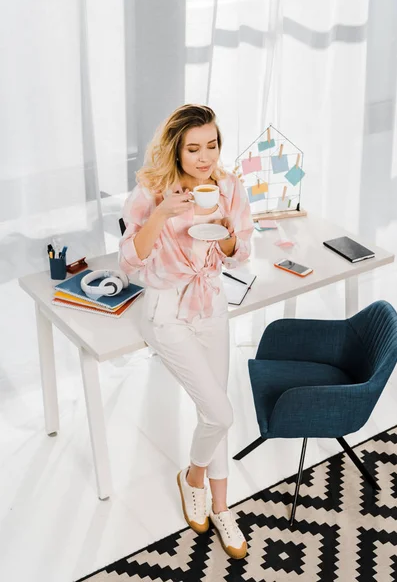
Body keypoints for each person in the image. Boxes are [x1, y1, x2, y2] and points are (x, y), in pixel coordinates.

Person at [119, 104, 253, 559]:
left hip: (212, 304)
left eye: (211, 146)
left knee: (214, 409)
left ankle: (220, 506)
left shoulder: (229, 187)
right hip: (166, 310)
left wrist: (229, 235)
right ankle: (192, 477)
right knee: (220, 412)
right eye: (193, 148)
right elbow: (131, 261)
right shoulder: (151, 190)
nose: (204, 157)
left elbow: (239, 255)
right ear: (176, 148)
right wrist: (161, 213)